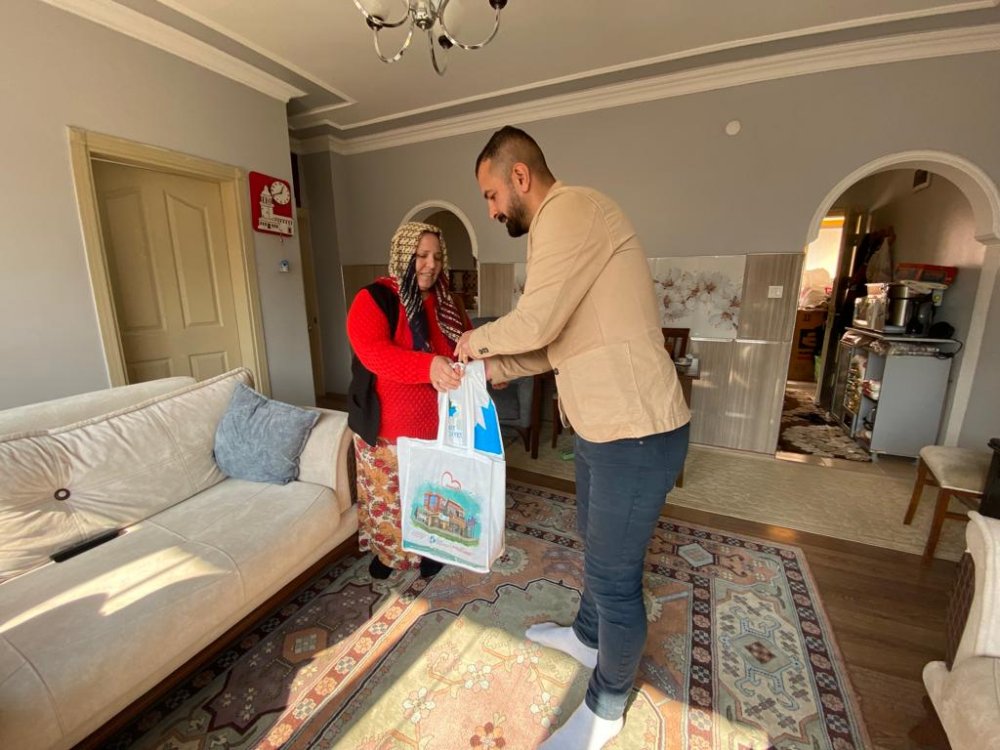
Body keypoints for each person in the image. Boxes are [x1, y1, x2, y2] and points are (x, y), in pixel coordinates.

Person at [455, 126, 691, 750]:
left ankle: (605, 710)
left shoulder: (572, 211)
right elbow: (555, 342)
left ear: (520, 176)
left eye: (491, 195)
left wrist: (474, 342)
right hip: (603, 426)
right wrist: (495, 369)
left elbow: (536, 322)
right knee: (596, 544)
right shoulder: (559, 227)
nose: (491, 210)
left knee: (616, 577)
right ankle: (588, 639)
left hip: (636, 430)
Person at [347, 221, 469, 580]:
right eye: (421, 255)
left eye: (437, 257)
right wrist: (429, 365)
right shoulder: (374, 299)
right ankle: (388, 555)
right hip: (387, 429)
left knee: (432, 497)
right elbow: (375, 354)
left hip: (439, 428)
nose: (431, 264)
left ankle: (430, 550)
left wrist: (489, 364)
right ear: (403, 255)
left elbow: (466, 343)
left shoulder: (449, 303)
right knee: (389, 500)